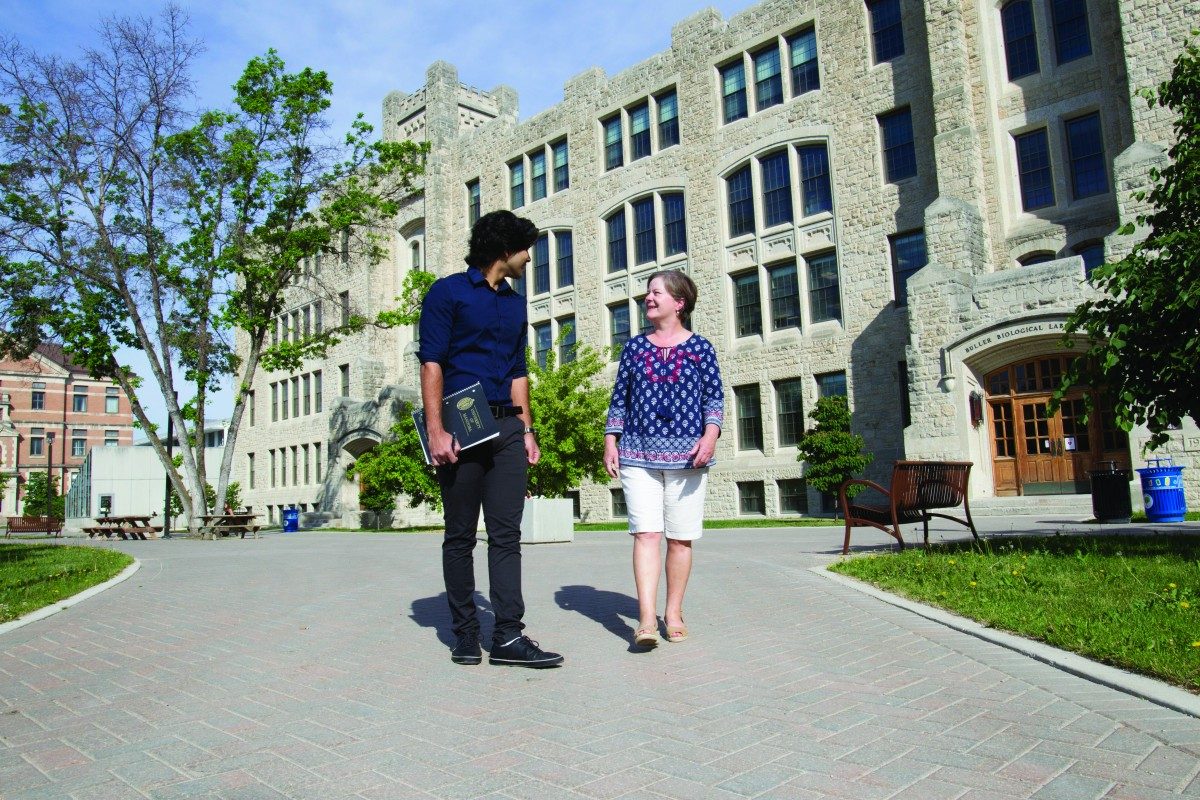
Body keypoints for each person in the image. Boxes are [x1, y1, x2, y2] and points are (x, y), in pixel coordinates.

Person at [417, 209, 564, 668]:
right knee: (460, 533)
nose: (528, 259)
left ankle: (506, 636)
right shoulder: (446, 293)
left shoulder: (515, 302)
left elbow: (519, 370)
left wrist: (528, 429)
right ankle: (464, 633)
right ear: (505, 249)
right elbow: (432, 364)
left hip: (506, 428)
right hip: (461, 427)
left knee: (507, 536)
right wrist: (437, 429)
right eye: (525, 250)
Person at [604, 270, 724, 647]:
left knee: (680, 539)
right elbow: (619, 399)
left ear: (679, 302)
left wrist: (711, 435)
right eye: (647, 293)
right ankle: (645, 620)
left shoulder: (701, 348)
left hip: (689, 456)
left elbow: (715, 398)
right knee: (646, 533)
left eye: (656, 292)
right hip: (637, 454)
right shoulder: (634, 349)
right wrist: (611, 440)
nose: (648, 298)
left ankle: (672, 612)